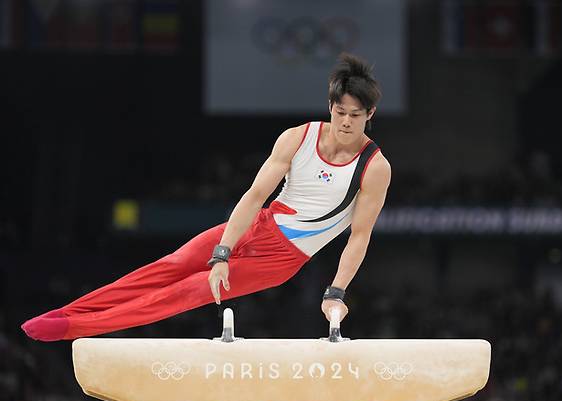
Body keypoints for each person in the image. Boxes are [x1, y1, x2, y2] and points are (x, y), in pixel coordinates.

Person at [21, 53, 391, 342]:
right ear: (330, 107)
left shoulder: (374, 168)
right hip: (257, 224)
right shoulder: (298, 137)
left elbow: (359, 236)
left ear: (369, 114)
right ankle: (67, 313)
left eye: (354, 115)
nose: (345, 122)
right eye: (339, 111)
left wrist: (336, 292)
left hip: (282, 258)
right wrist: (222, 253)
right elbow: (255, 195)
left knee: (188, 291)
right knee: (171, 265)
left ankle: (77, 328)